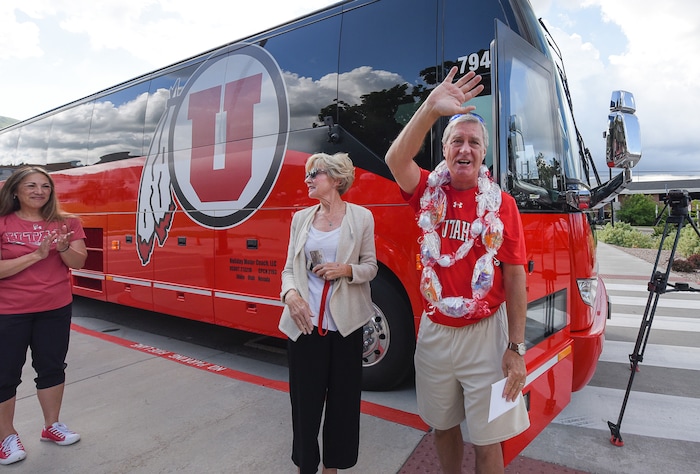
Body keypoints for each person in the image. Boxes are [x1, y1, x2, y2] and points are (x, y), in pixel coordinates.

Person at [385, 66, 530, 473]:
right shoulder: (429, 191)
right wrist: (430, 109)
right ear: (444, 149)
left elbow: (516, 275)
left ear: (484, 153)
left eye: (473, 143)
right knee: (442, 427)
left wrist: (515, 348)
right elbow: (396, 159)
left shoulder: (502, 205)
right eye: (456, 141)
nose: (465, 149)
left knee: (489, 440)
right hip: (434, 331)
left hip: (487, 334)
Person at [279, 152, 377, 474]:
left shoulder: (361, 218)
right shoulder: (300, 219)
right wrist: (290, 294)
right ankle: (305, 468)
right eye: (308, 175)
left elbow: (371, 267)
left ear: (336, 180)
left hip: (346, 327)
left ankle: (331, 469)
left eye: (314, 174)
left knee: (342, 406)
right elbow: (289, 270)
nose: (307, 180)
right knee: (304, 408)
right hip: (305, 328)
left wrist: (346, 269)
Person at [0, 166, 87, 466]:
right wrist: (36, 255)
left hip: (55, 309)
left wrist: (63, 249)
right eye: (31, 185)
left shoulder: (67, 223)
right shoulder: (2, 223)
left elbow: (80, 261)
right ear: (15, 191)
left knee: (52, 368)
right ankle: (6, 436)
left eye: (45, 186)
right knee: (4, 374)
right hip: (9, 312)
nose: (39, 191)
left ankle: (52, 426)